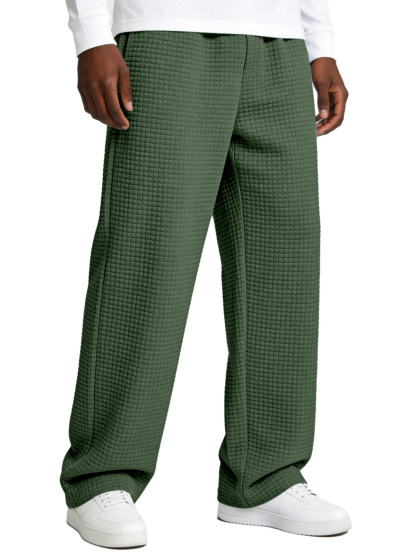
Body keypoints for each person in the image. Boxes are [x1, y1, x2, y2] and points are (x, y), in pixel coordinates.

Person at [60, 0, 350, 548]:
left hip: (280, 45)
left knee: (283, 265)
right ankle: (101, 475)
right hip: (165, 33)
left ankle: (264, 477)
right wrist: (91, 33)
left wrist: (320, 42)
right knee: (148, 260)